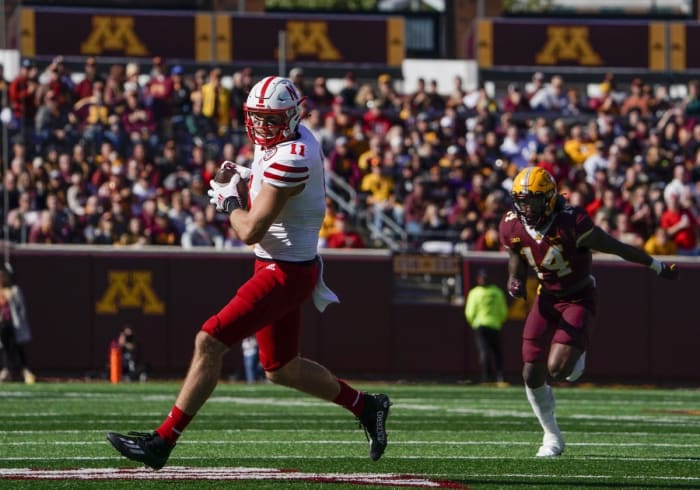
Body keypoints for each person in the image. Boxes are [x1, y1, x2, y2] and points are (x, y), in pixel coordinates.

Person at [107, 75, 391, 470]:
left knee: (209, 340)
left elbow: (249, 230)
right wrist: (245, 175)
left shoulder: (294, 153)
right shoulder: (284, 140)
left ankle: (162, 441)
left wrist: (228, 202)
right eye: (256, 117)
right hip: (284, 265)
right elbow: (268, 182)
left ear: (292, 117)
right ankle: (367, 406)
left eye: (270, 118)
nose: (261, 126)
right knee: (281, 369)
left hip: (285, 271)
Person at [498, 167, 678, 458]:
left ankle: (578, 352)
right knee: (530, 369)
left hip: (579, 297)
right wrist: (514, 279)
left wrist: (656, 266)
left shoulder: (572, 222)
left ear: (548, 198)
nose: (524, 207)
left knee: (559, 371)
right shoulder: (511, 224)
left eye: (530, 200)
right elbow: (516, 257)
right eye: (521, 200)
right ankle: (551, 436)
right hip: (546, 297)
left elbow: (616, 247)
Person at [464, 268, 508, 384]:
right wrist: (498, 321)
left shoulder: (475, 292)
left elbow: (469, 312)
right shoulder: (497, 292)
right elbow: (503, 311)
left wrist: (474, 323)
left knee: (485, 352)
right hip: (494, 326)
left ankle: (487, 377)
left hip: (481, 326)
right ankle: (500, 376)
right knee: (497, 352)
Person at [0, 265, 35, 384]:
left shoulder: (15, 290)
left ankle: (25, 371)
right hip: (2, 325)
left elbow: (21, 309)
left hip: (14, 324)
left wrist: (20, 323)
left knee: (18, 347)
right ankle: (6, 371)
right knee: (4, 348)